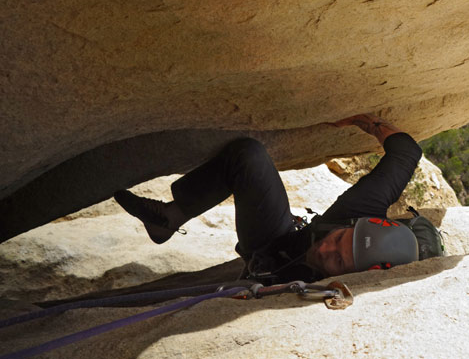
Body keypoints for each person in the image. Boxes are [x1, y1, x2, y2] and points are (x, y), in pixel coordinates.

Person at [114, 113, 423, 283]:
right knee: (248, 156)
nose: (326, 246)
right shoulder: (361, 212)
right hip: (277, 242)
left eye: (338, 259)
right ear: (359, 224)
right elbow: (407, 152)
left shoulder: (362, 288)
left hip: (276, 275)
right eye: (339, 237)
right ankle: (171, 218)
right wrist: (362, 120)